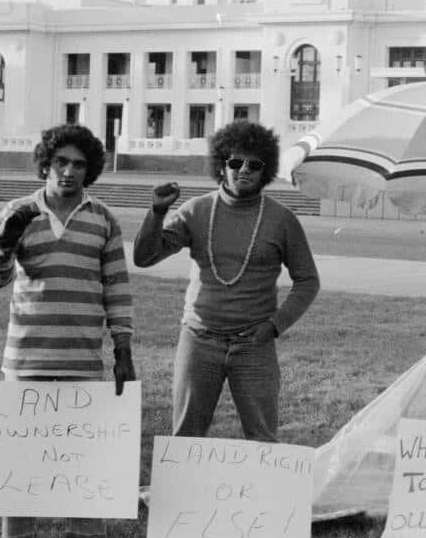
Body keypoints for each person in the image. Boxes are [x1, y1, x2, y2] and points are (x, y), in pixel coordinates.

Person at [0, 124, 135, 538]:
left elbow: (116, 287)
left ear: (91, 170)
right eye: (60, 162)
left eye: (79, 164)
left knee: (84, 453)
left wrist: (123, 349)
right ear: (46, 164)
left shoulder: (103, 218)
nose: (68, 172)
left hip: (83, 356)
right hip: (26, 354)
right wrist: (5, 244)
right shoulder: (17, 210)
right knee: (19, 451)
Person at [133, 120, 319, 443]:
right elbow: (144, 257)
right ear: (222, 166)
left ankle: (262, 495)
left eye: (254, 164)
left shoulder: (282, 220)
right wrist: (157, 213)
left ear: (266, 170)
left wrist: (275, 326)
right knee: (186, 437)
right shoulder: (196, 211)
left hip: (255, 346)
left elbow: (307, 280)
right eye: (235, 162)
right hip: (200, 340)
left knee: (262, 439)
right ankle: (182, 495)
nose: (243, 170)